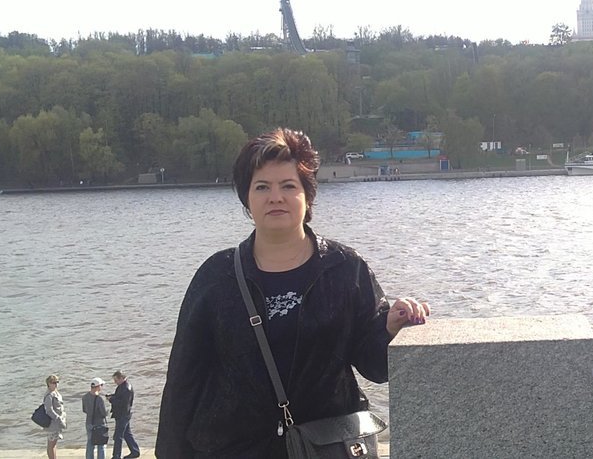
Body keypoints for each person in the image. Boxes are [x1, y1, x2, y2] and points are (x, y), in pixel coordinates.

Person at [156, 128, 430, 458]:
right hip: (235, 448)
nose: (276, 197)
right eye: (262, 187)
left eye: (288, 186)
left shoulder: (343, 268)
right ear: (247, 199)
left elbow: (374, 366)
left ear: (307, 195)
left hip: (325, 447)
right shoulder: (217, 276)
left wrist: (390, 326)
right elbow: (184, 379)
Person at [106, 371, 139, 459]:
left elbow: (123, 403)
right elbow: (119, 397)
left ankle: (116, 456)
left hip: (123, 415)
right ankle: (135, 451)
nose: (115, 382)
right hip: (124, 414)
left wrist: (111, 399)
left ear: (121, 378)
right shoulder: (123, 386)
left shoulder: (126, 388)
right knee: (126, 434)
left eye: (116, 380)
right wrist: (112, 396)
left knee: (118, 436)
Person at [82, 378, 109, 459]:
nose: (102, 387)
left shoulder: (85, 397)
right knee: (101, 445)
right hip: (99, 424)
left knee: (90, 444)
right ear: (97, 387)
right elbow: (103, 413)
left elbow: (84, 410)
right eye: (101, 385)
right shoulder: (100, 399)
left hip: (89, 423)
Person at [43, 374, 66, 459]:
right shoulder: (49, 395)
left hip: (57, 423)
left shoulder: (55, 392)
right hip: (52, 423)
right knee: (51, 444)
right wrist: (58, 418)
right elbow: (49, 410)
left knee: (54, 443)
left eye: (57, 382)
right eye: (53, 382)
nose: (56, 384)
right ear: (49, 383)